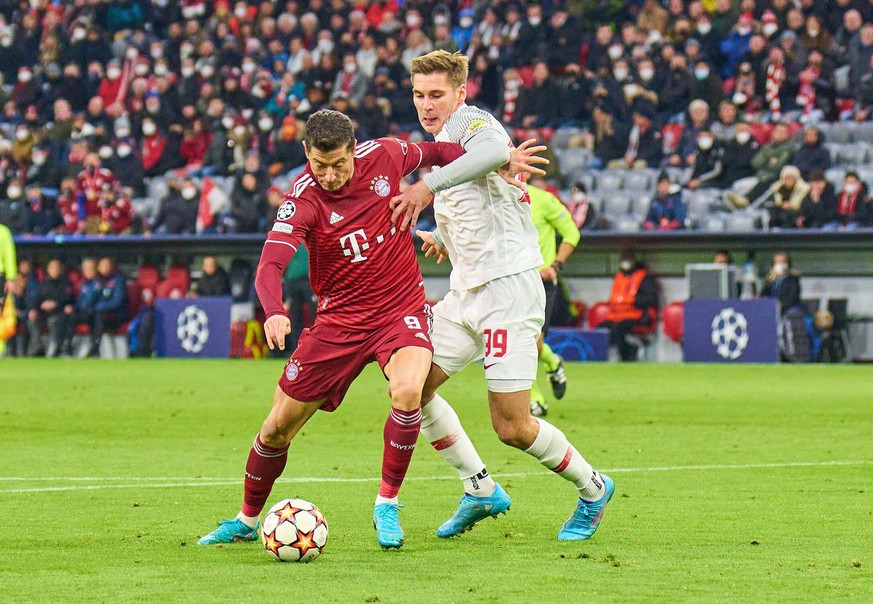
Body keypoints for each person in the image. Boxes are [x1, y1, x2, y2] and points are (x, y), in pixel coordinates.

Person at [197, 109, 546, 549]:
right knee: (275, 430)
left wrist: (499, 159)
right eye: (319, 165)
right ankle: (246, 520)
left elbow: (442, 150)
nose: (329, 175)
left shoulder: (385, 154)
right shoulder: (301, 199)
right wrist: (272, 310)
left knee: (407, 391)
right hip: (339, 322)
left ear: (353, 151)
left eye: (339, 164)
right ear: (306, 152)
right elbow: (270, 264)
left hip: (400, 310)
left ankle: (387, 504)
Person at [390, 50, 614, 542]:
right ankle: (479, 488)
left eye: (436, 94)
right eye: (418, 94)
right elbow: (483, 204)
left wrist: (427, 188)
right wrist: (443, 238)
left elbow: (493, 151)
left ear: (460, 93)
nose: (426, 105)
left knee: (512, 427)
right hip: (465, 294)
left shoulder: (471, 122)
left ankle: (594, 488)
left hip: (509, 292)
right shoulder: (441, 148)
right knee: (410, 389)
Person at [526, 176, 580, 418]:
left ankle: (551, 362)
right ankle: (534, 397)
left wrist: (556, 266)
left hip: (541, 281)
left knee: (531, 342)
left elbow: (571, 233)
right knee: (519, 341)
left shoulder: (544, 200)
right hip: (510, 281)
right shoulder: (495, 199)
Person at [600, 251, 659, 361]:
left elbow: (651, 299)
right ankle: (598, 360)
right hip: (616, 316)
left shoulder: (644, 277)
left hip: (636, 315)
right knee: (601, 329)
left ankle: (626, 357)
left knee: (619, 328)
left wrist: (633, 301)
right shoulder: (619, 276)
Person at [25, 258, 74, 357]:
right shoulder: (43, 284)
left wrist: (55, 304)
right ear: (48, 269)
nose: (55, 270)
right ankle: (37, 346)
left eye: (57, 268)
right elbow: (36, 299)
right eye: (52, 268)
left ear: (60, 270)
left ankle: (55, 348)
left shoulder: (66, 284)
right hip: (44, 314)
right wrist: (33, 309)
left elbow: (69, 299)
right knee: (31, 320)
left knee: (53, 321)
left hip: (59, 313)